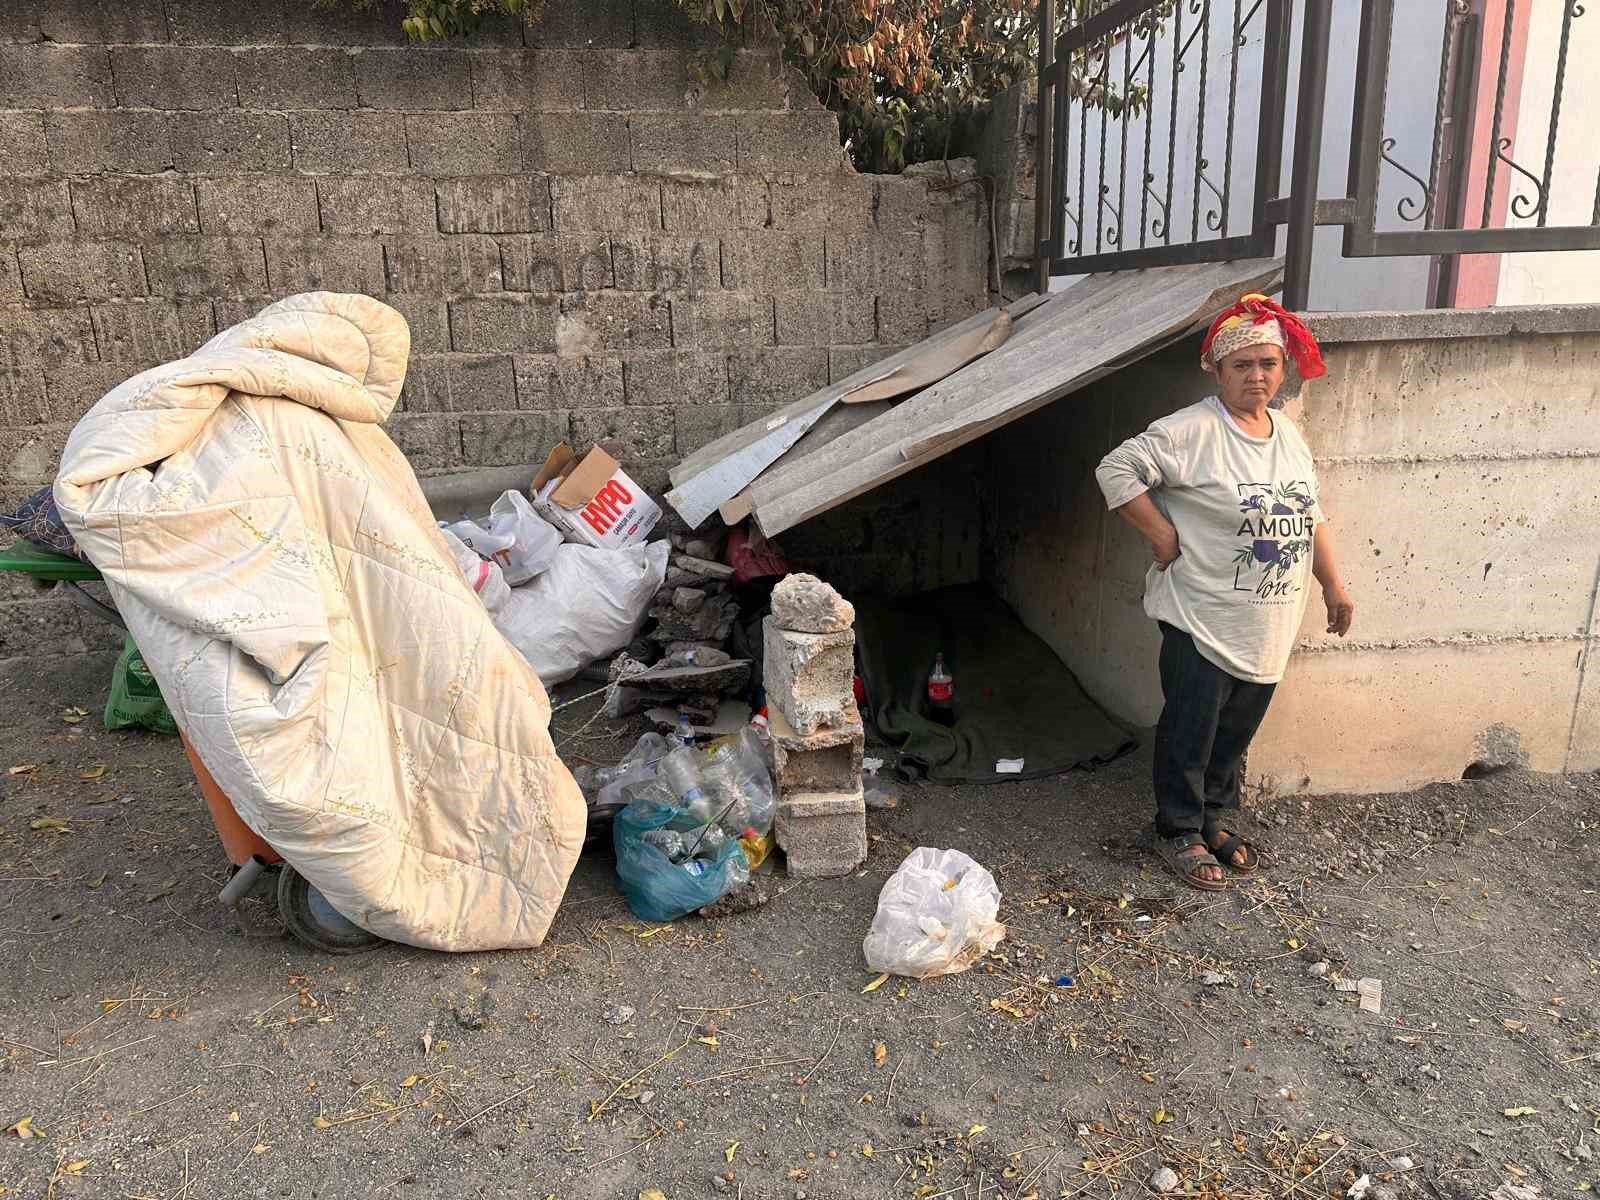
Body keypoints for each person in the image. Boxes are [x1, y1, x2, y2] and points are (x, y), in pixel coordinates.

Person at [1094, 294, 1355, 890]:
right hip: (1201, 615)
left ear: (1282, 368)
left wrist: (1333, 585)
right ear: (1215, 368)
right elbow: (1115, 468)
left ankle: (1212, 819)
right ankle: (1177, 830)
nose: (1256, 376)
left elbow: (1310, 513)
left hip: (1267, 621)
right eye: (1242, 366)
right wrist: (1162, 535)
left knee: (1235, 732)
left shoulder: (1287, 432)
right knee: (1191, 728)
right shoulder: (1191, 431)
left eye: (1267, 364)